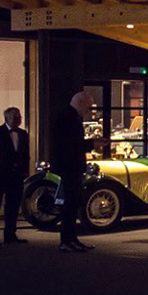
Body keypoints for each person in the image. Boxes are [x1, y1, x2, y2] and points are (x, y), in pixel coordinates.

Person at [0, 106, 31, 246]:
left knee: (13, 206)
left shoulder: (23, 134)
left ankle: (10, 234)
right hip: (1, 174)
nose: (18, 120)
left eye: (19, 117)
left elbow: (25, 154)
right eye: (15, 117)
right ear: (7, 118)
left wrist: (24, 170)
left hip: (16, 175)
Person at [54, 88, 93, 253]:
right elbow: (72, 145)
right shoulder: (69, 119)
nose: (88, 110)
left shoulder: (68, 117)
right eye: (88, 107)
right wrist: (92, 144)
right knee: (70, 204)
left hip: (70, 166)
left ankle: (71, 239)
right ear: (80, 103)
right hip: (70, 167)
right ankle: (67, 240)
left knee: (73, 203)